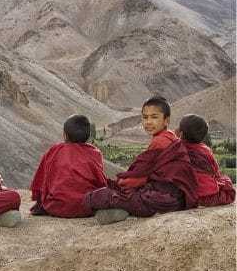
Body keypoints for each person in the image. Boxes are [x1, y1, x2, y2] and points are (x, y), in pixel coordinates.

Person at [83, 96, 199, 225]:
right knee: (114, 193)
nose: (148, 122)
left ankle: (121, 211)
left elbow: (139, 178)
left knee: (97, 197)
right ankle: (121, 210)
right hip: (174, 199)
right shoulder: (170, 137)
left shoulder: (161, 141)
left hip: (162, 200)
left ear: (167, 121)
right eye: (145, 117)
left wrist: (121, 184)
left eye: (154, 117)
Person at [30, 114, 107, 218]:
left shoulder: (54, 151)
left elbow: (43, 179)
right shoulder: (95, 152)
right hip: (87, 206)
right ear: (89, 135)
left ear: (65, 136)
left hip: (57, 206)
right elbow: (99, 181)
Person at [176, 114, 235, 206]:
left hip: (185, 195)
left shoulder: (176, 148)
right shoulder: (205, 150)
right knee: (226, 183)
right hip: (209, 196)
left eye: (178, 127)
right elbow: (215, 170)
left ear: (181, 134)